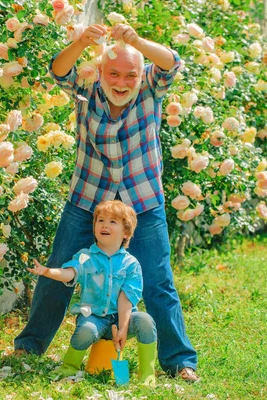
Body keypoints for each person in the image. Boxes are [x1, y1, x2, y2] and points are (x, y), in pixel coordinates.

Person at [15, 23, 199, 382]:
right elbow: (58, 69)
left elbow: (172, 63)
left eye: (129, 74)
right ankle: (30, 344)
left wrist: (136, 43)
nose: (121, 81)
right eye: (113, 73)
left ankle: (180, 361)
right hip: (88, 197)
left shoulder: (149, 86)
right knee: (59, 271)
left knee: (158, 280)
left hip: (141, 200)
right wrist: (82, 41)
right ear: (100, 72)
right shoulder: (86, 87)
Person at [27, 200, 157, 385]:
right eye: (100, 220)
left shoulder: (131, 265)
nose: (104, 225)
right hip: (93, 317)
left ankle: (147, 375)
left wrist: (123, 329)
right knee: (86, 330)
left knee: (145, 321)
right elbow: (70, 272)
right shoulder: (85, 256)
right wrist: (48, 272)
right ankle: (69, 366)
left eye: (113, 222)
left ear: (126, 232)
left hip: (121, 316)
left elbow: (126, 298)